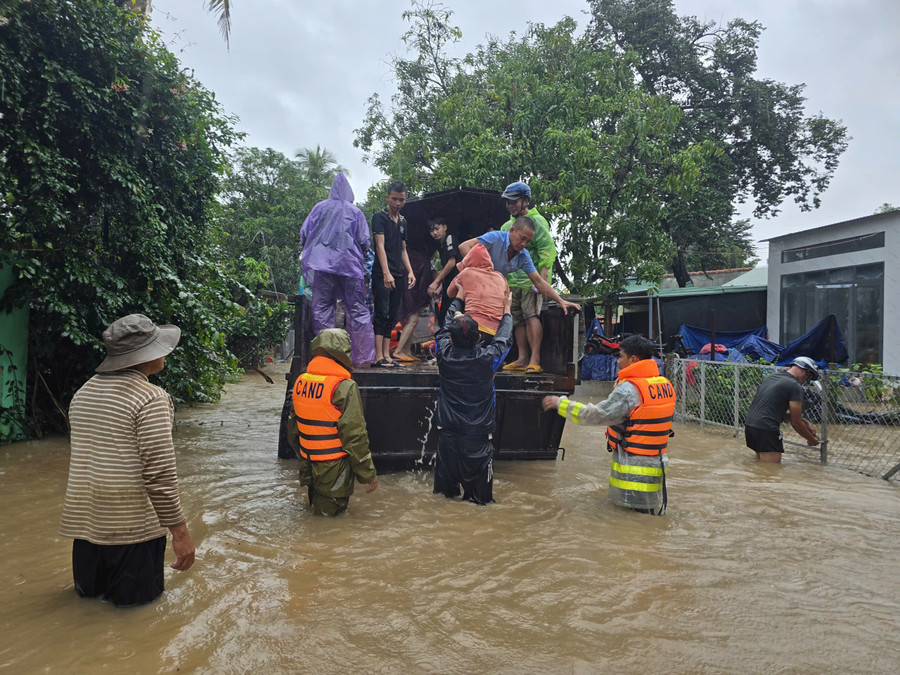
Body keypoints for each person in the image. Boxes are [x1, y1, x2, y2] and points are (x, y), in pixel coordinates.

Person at [59, 314, 195, 607]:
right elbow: (159, 473)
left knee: (88, 612)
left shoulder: (83, 393)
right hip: (133, 532)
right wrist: (180, 532)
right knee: (137, 620)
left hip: (86, 530)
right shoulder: (150, 397)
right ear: (146, 355)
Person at [542, 335, 674, 515]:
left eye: (621, 356)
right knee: (647, 520)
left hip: (633, 473)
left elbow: (596, 415)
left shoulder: (630, 390)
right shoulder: (663, 384)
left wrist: (561, 404)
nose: (618, 361)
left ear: (633, 359)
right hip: (656, 466)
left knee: (629, 523)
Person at [433, 286, 513, 504]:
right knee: (480, 504)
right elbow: (504, 338)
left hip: (447, 440)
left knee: (443, 501)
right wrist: (506, 309)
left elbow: (444, 326)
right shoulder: (488, 360)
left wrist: (460, 296)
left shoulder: (443, 354)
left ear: (450, 340)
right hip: (477, 442)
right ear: (479, 339)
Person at [288, 328, 378, 515]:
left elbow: (293, 430)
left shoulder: (301, 381)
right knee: (330, 524)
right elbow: (355, 435)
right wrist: (368, 473)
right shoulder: (344, 387)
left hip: (309, 463)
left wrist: (305, 453)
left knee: (316, 512)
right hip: (335, 468)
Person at [457, 217, 579, 342]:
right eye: (522, 238)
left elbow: (538, 281)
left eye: (528, 241)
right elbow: (464, 247)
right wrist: (481, 273)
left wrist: (560, 300)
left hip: (493, 296)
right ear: (512, 230)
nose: (524, 244)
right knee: (469, 327)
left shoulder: (523, 256)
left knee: (491, 331)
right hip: (476, 288)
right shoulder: (495, 237)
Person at [300, 172, 375, 366]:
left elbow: (304, 233)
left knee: (322, 308)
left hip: (322, 266)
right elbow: (364, 241)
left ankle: (326, 356)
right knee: (357, 309)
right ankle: (362, 359)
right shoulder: (355, 212)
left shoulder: (319, 208)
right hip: (350, 267)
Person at [498, 182, 557, 373]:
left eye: (514, 201)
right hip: (512, 281)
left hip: (531, 281)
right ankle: (522, 358)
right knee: (516, 320)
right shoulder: (508, 225)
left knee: (531, 315)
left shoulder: (537, 221)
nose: (510, 205)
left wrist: (543, 279)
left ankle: (535, 359)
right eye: (508, 201)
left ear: (526, 201)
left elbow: (546, 249)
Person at [371, 181, 416, 367]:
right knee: (381, 312)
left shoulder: (403, 221)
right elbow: (380, 246)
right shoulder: (379, 218)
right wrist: (386, 272)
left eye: (402, 200)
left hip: (398, 273)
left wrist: (410, 271)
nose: (398, 203)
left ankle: (388, 356)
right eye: (395, 199)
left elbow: (403, 249)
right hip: (383, 272)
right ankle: (378, 356)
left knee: (392, 314)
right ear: (387, 197)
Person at [744, 356, 820, 463]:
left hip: (751, 426)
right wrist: (811, 440)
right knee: (771, 473)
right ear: (804, 370)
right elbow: (796, 422)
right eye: (809, 376)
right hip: (767, 430)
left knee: (760, 468)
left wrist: (806, 422)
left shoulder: (772, 377)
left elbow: (777, 411)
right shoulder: (795, 386)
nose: (806, 381)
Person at [447, 242, 509, 342]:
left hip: (472, 329)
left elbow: (450, 293)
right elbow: (507, 299)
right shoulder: (500, 277)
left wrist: (462, 288)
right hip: (497, 332)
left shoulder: (467, 272)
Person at [427, 216, 459, 330]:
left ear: (444, 227)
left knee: (451, 317)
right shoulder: (440, 246)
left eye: (437, 228)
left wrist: (436, 282)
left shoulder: (450, 238)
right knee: (443, 317)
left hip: (457, 285)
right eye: (432, 230)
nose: (435, 233)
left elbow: (452, 263)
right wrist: (440, 287)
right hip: (448, 284)